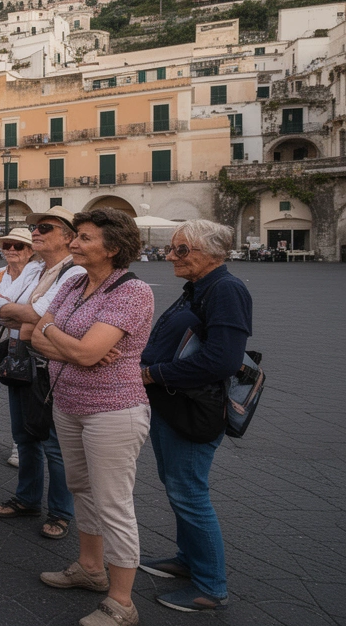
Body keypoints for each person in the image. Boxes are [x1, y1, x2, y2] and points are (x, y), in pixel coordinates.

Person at [31, 208, 152, 626]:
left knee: (113, 503)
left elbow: (85, 351)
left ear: (113, 248)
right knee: (80, 487)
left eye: (83, 238)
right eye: (75, 236)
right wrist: (65, 342)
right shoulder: (75, 282)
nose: (74, 243)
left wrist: (60, 339)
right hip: (69, 403)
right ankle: (90, 568)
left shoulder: (132, 292)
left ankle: (122, 603)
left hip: (114, 410)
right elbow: (37, 334)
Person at [138, 220, 250, 613]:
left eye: (181, 249)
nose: (171, 255)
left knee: (189, 492)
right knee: (177, 484)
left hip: (192, 407)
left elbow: (223, 359)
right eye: (172, 248)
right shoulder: (201, 287)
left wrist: (153, 373)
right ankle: (188, 560)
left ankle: (210, 586)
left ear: (210, 252)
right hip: (173, 404)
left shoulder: (226, 289)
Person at [0, 207, 82, 541]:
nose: (35, 232)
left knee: (54, 442)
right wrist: (19, 315)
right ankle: (28, 498)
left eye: (44, 227)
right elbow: (4, 308)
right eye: (34, 227)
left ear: (67, 236)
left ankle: (61, 511)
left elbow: (38, 314)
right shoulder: (37, 269)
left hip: (48, 365)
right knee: (23, 433)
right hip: (21, 360)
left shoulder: (73, 272)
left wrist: (17, 314)